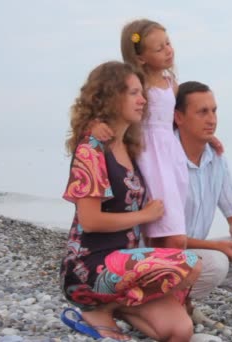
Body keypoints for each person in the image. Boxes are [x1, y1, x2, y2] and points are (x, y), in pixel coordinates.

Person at [60, 61, 202, 342]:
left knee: (181, 331)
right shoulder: (92, 149)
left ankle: (115, 308)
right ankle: (95, 308)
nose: (142, 100)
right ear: (112, 97)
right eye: (134, 93)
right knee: (191, 263)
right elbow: (90, 220)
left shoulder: (129, 145)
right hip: (88, 269)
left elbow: (167, 135)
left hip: (123, 269)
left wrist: (211, 142)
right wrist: (144, 215)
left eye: (143, 93)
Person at [91, 19, 222, 249]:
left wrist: (207, 136)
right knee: (167, 227)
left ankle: (157, 270)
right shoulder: (137, 84)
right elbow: (107, 108)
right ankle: (163, 270)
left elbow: (177, 120)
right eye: (159, 48)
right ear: (141, 57)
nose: (168, 50)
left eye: (168, 43)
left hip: (171, 154)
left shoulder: (171, 84)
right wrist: (94, 125)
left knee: (169, 222)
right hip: (148, 154)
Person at [173, 81, 232, 305]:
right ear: (179, 117)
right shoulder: (166, 158)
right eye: (202, 112)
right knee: (216, 262)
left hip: (193, 251)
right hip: (160, 251)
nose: (212, 119)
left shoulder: (216, 157)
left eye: (214, 111)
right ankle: (166, 302)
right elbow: (162, 239)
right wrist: (217, 247)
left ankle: (192, 298)